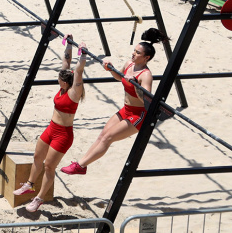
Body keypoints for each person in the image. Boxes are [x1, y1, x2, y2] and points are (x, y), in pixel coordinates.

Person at [61, 28, 168, 176]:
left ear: (146, 58)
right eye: (134, 50)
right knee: (102, 135)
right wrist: (109, 69)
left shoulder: (146, 75)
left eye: (138, 53)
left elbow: (146, 99)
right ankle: (81, 165)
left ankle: (81, 165)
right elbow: (120, 76)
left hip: (138, 115)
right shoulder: (129, 64)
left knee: (107, 138)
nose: (133, 54)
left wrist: (136, 84)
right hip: (126, 109)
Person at [15, 36, 88, 212]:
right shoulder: (63, 86)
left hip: (63, 134)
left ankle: (39, 198)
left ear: (65, 82)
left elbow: (78, 71)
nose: (57, 81)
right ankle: (30, 184)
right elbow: (66, 61)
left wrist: (83, 54)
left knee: (49, 166)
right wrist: (70, 44)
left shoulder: (74, 92)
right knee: (37, 157)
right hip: (51, 128)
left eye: (59, 80)